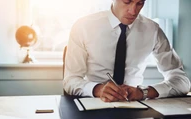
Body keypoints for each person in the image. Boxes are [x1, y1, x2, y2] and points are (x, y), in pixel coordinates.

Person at [63, 0, 191, 102]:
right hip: (92, 103)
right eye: (127, 1)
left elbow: (182, 82)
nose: (133, 11)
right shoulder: (83, 26)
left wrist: (144, 92)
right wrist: (97, 89)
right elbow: (70, 81)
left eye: (140, 3)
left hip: (135, 105)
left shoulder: (153, 30)